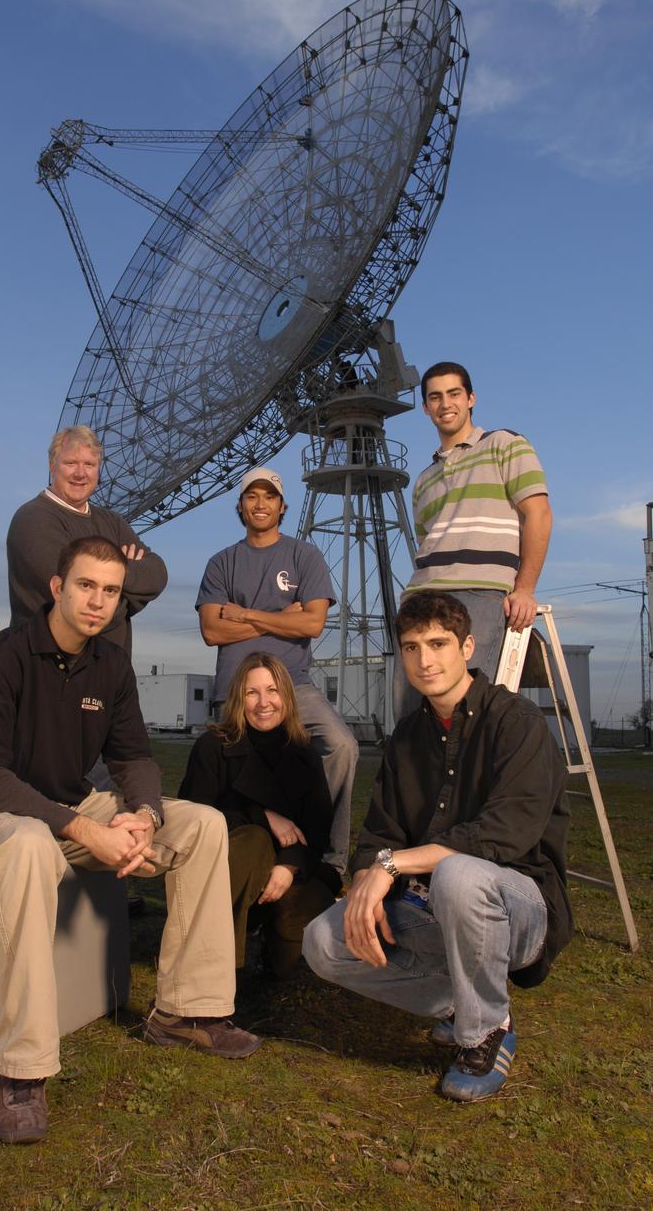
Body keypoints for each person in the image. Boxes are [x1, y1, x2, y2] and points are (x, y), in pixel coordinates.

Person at [0, 535, 261, 1145]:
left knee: (201, 825)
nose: (97, 601)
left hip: (67, 806)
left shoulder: (111, 664)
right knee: (33, 844)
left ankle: (185, 1012)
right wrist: (82, 826)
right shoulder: (5, 657)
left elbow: (132, 755)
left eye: (111, 591)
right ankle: (20, 1073)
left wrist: (141, 813)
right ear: (57, 588)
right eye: (86, 586)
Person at [303, 590, 573, 1103]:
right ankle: (463, 1003)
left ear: (467, 646)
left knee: (460, 873)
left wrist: (392, 864)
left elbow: (500, 836)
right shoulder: (406, 738)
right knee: (323, 940)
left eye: (438, 643)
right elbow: (378, 836)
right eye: (410, 647)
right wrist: (366, 887)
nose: (425, 661)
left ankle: (487, 1032)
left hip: (521, 910)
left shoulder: (517, 724)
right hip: (432, 907)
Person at [196, 467, 358, 874]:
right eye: (252, 496)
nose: (261, 503)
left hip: (293, 686)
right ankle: (230, 860)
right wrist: (278, 617)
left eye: (269, 496)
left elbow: (312, 624)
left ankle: (327, 860)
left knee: (341, 746)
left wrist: (246, 614)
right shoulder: (222, 563)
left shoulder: (304, 556)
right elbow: (213, 631)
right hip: (236, 689)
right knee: (231, 772)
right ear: (240, 505)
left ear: (282, 506)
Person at [395, 362, 552, 717]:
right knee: (409, 712)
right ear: (425, 407)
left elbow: (539, 514)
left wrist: (524, 588)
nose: (444, 403)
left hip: (479, 592)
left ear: (470, 399)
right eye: (435, 397)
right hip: (421, 596)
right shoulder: (423, 481)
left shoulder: (505, 445)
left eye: (453, 394)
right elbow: (429, 544)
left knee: (463, 709)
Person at [180, 653, 341, 979]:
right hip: (227, 875)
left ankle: (270, 942)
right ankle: (215, 966)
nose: (263, 702)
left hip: (284, 875)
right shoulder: (214, 746)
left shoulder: (304, 753)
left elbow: (318, 829)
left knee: (286, 962)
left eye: (272, 691)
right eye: (252, 692)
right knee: (252, 840)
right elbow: (192, 816)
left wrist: (289, 865)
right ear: (239, 697)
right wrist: (261, 814)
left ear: (286, 697)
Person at [6, 424, 167, 652]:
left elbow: (158, 573)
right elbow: (74, 605)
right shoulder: (33, 519)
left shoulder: (113, 522)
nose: (80, 473)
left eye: (89, 464)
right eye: (70, 463)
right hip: (46, 669)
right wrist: (128, 592)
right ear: (52, 465)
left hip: (111, 672)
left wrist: (101, 582)